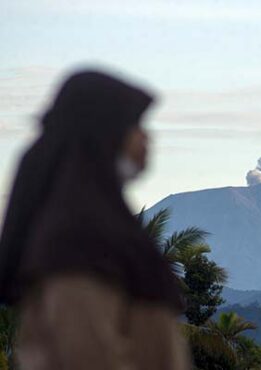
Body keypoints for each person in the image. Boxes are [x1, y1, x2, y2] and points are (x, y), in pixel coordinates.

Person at [0, 70, 190, 369]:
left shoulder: (100, 232)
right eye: (135, 124)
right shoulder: (79, 244)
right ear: (104, 134)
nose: (147, 137)